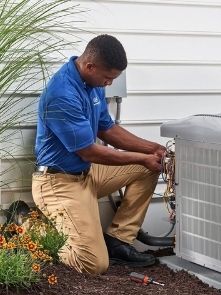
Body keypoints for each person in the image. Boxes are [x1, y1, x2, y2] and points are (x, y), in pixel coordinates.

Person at [32, 34, 165, 274]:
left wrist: (152, 149)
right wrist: (141, 156)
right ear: (90, 65)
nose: (108, 84)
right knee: (93, 264)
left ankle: (119, 241)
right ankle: (33, 229)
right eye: (107, 77)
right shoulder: (62, 94)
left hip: (86, 175)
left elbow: (108, 129)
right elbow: (89, 151)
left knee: (147, 167)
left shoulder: (92, 84)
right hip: (58, 183)